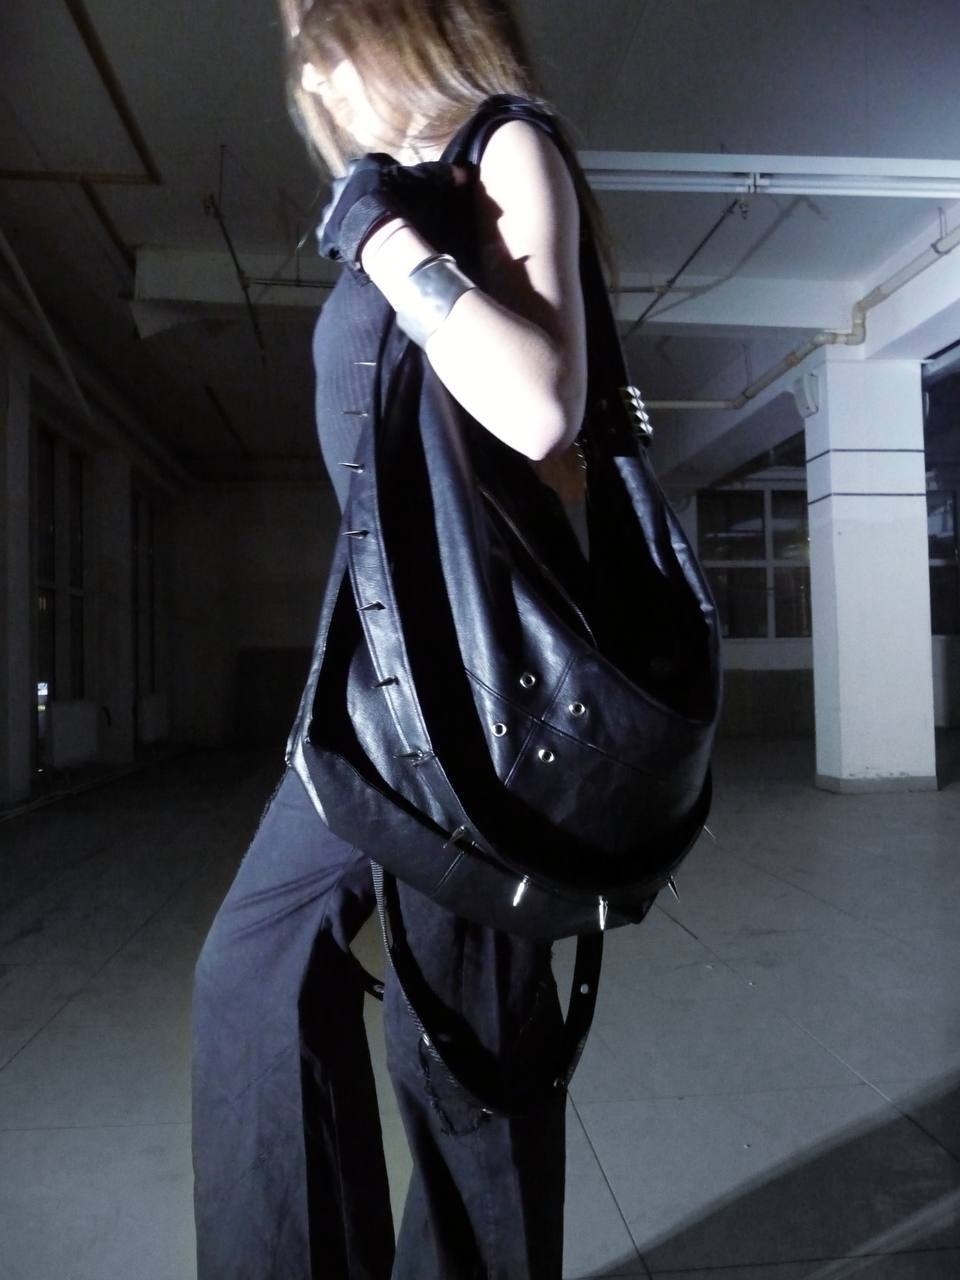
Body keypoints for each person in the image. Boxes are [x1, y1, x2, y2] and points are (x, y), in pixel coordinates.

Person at [191, 2, 600, 1276]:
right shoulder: (404, 190)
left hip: (475, 691)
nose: (308, 68)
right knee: (254, 973)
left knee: (466, 1045)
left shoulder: (502, 146)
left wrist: (384, 241)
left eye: (322, 27)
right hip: (380, 685)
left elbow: (543, 406)